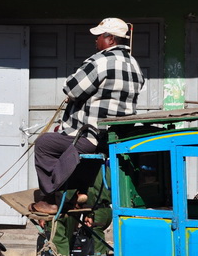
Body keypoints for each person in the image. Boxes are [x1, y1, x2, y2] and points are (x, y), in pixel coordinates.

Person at [31, 17, 145, 215]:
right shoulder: (134, 64)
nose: (96, 40)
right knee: (76, 149)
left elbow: (72, 89)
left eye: (99, 36)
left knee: (45, 143)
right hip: (115, 138)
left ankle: (50, 198)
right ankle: (80, 192)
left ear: (110, 39)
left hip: (92, 136)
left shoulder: (100, 61)